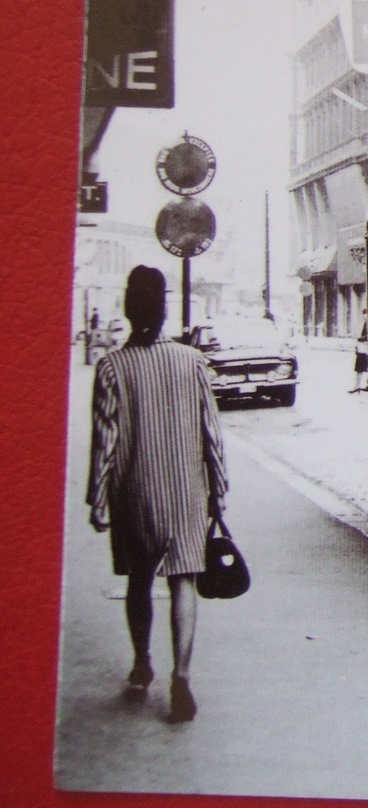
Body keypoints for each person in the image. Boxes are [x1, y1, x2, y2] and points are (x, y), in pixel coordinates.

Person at [86, 266, 228, 722]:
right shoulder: (193, 362)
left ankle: (142, 662)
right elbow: (212, 433)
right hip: (186, 490)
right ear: (164, 309)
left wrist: (99, 500)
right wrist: (218, 489)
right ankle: (181, 677)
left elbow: (105, 440)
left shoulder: (111, 367)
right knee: (184, 579)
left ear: (129, 309)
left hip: (135, 493)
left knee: (140, 580)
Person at [349, 315, 368, 393]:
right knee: (359, 369)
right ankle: (357, 386)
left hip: (367, 350)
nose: (365, 316)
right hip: (362, 349)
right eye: (364, 314)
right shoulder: (364, 324)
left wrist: (363, 339)